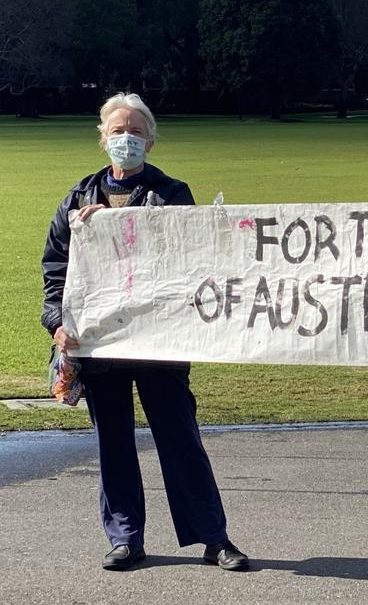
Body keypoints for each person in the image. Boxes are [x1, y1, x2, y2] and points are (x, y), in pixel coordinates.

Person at [41, 93, 249, 573]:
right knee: (112, 444)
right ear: (102, 138)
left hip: (161, 343)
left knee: (180, 440)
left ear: (151, 140)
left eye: (136, 131)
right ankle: (125, 539)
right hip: (101, 346)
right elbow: (56, 272)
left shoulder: (173, 193)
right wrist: (57, 324)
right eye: (117, 131)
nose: (126, 139)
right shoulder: (77, 200)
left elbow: (197, 257)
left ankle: (213, 538)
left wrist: (121, 223)